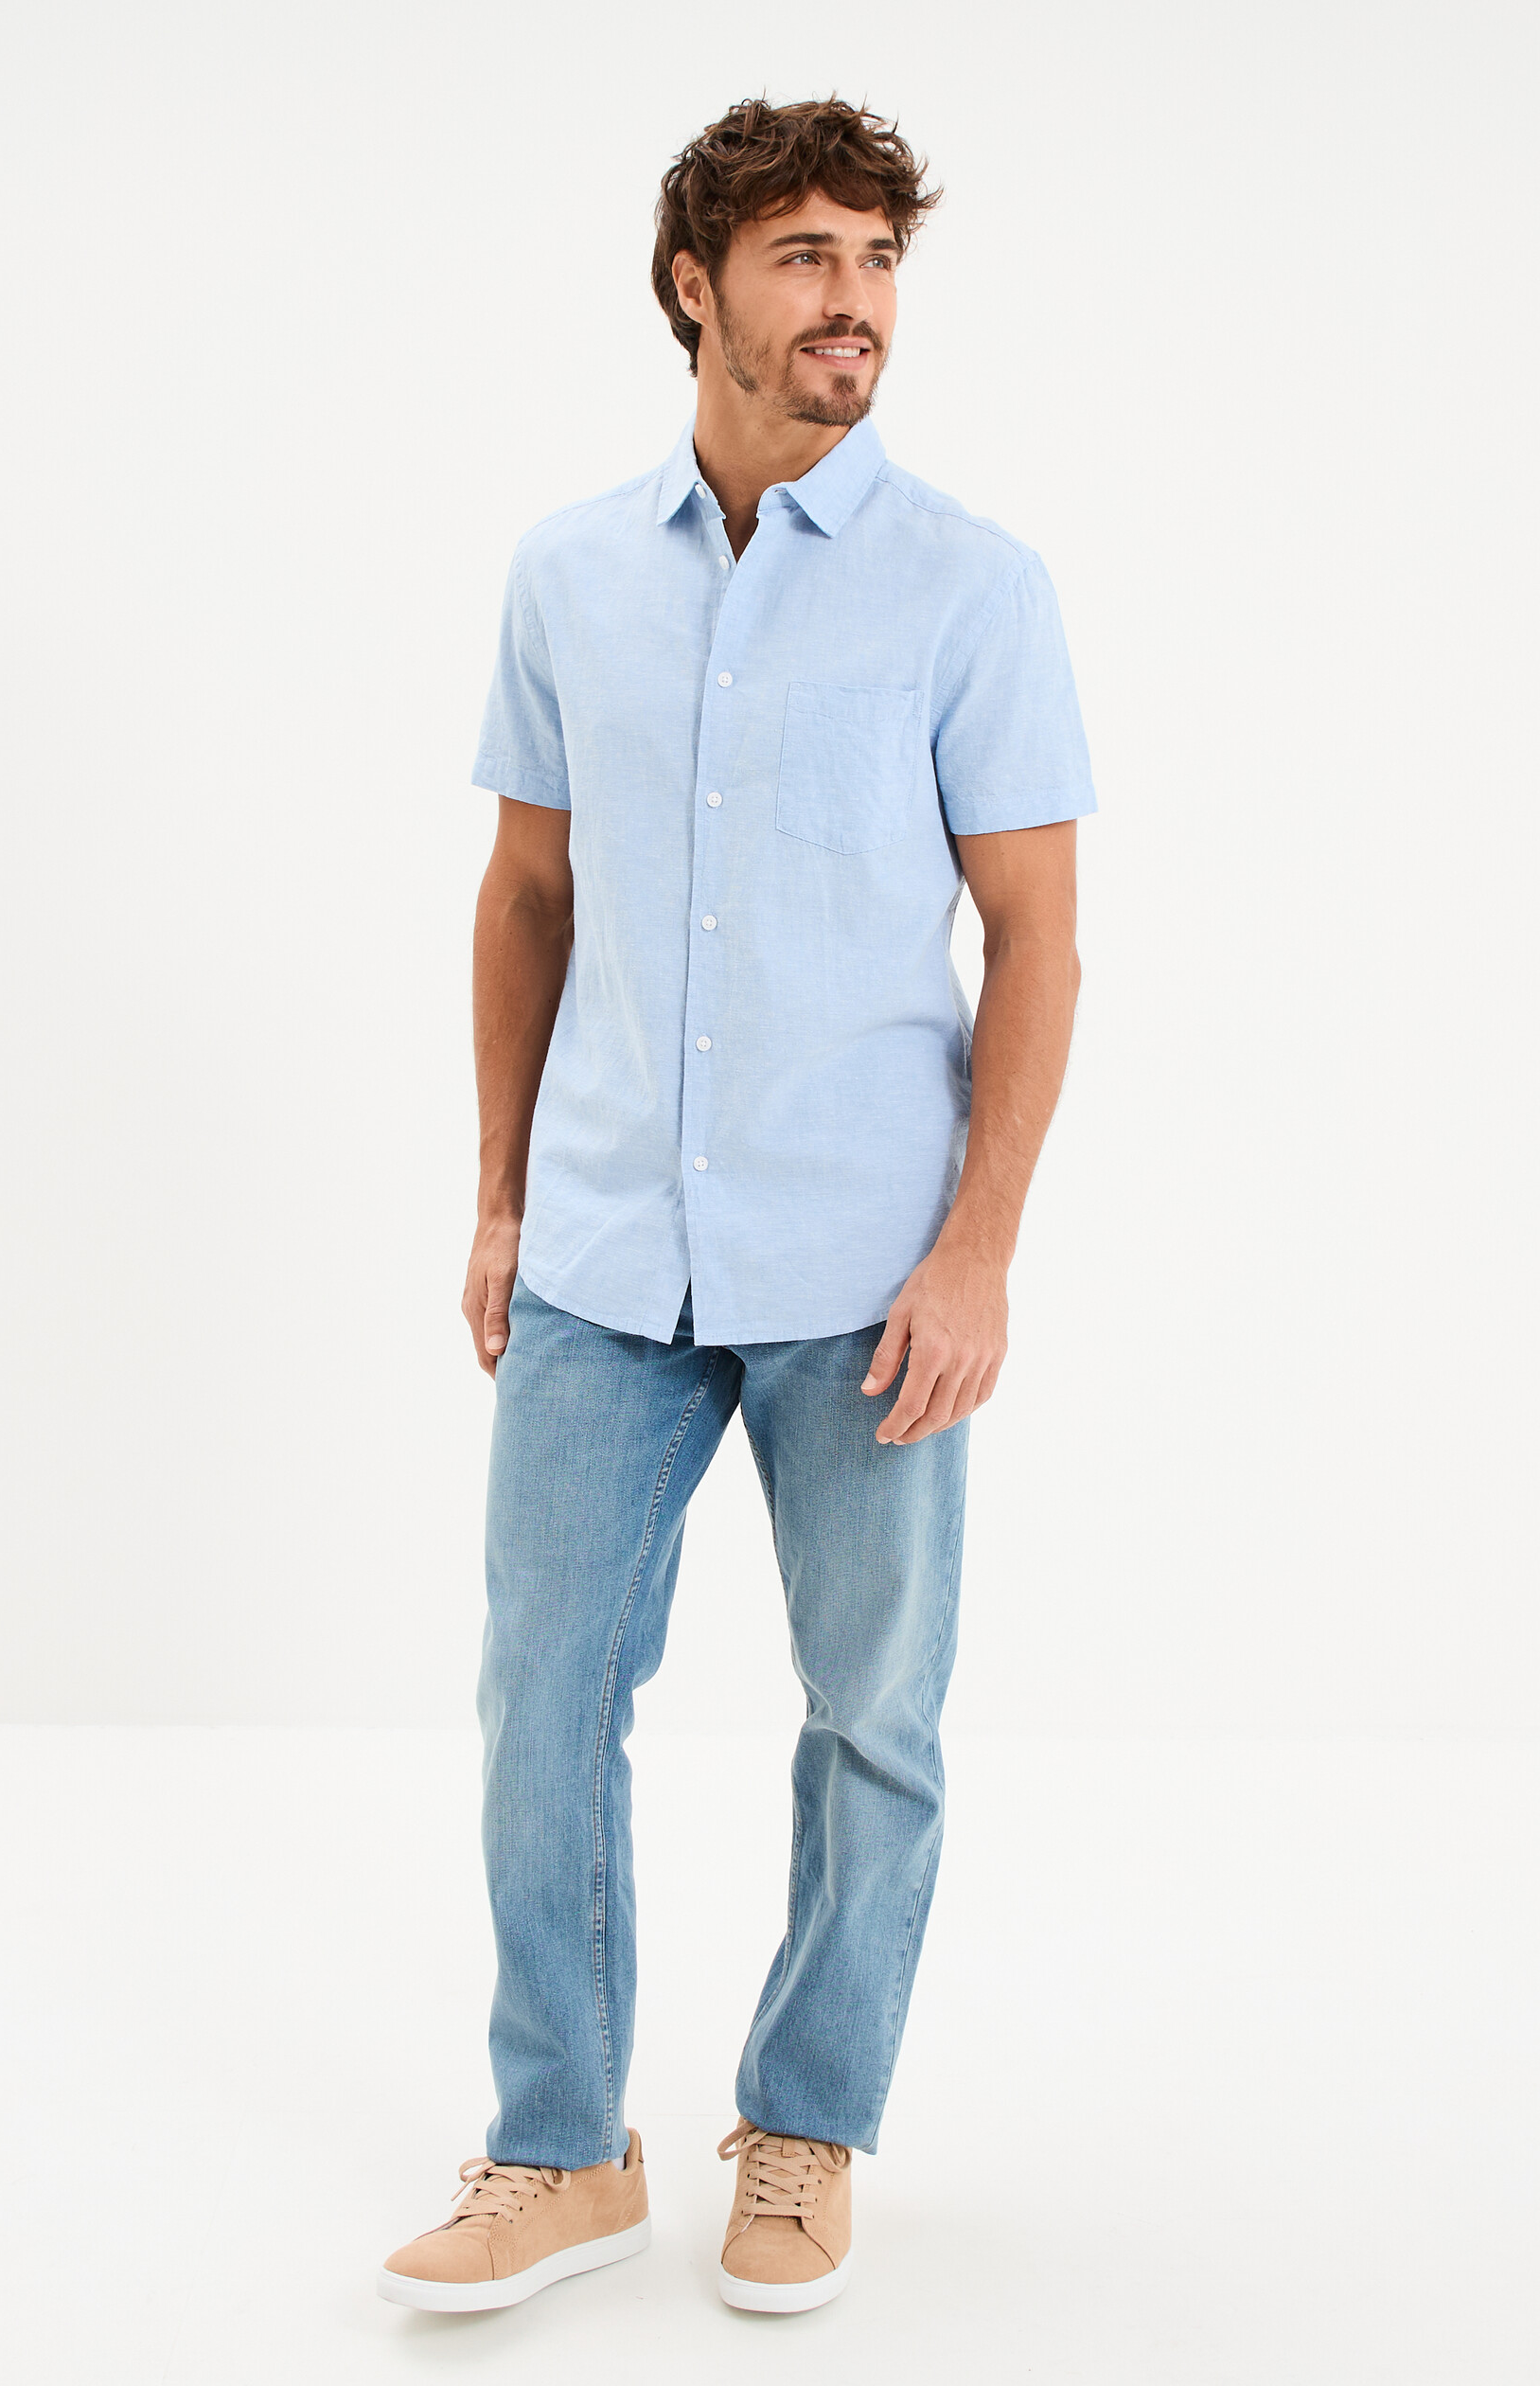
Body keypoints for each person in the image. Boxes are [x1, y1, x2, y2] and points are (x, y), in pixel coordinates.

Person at [377, 94, 1094, 2317]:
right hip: (604, 1254)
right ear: (695, 287)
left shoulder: (972, 587)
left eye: (876, 260)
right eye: (805, 257)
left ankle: (805, 2127)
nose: (853, 302)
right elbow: (526, 895)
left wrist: (978, 1251)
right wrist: (500, 1196)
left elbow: (1038, 942)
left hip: (870, 1276)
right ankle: (556, 2148)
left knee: (874, 1716)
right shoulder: (569, 574)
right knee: (540, 1699)